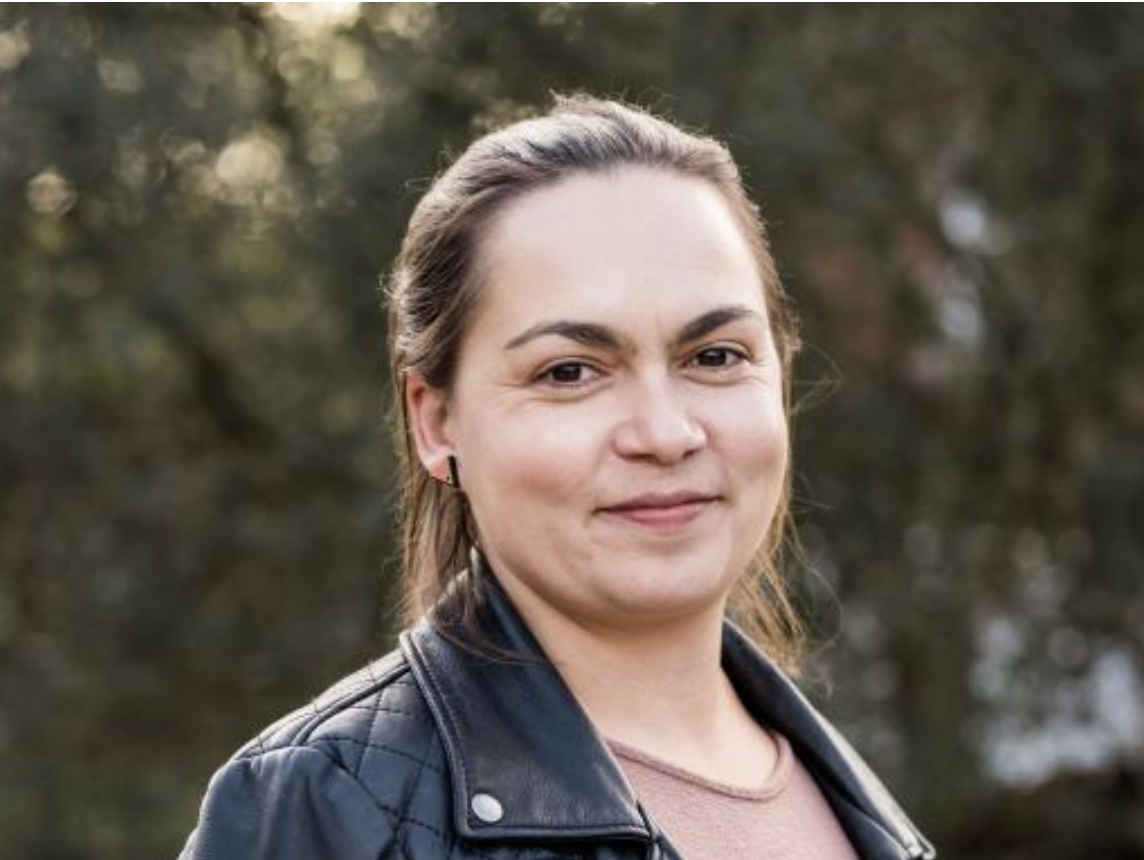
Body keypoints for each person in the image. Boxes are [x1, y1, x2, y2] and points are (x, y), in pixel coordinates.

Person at [179, 93, 936, 860]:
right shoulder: (327, 809)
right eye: (570, 372)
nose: (665, 434)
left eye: (715, 356)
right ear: (436, 422)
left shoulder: (865, 819)